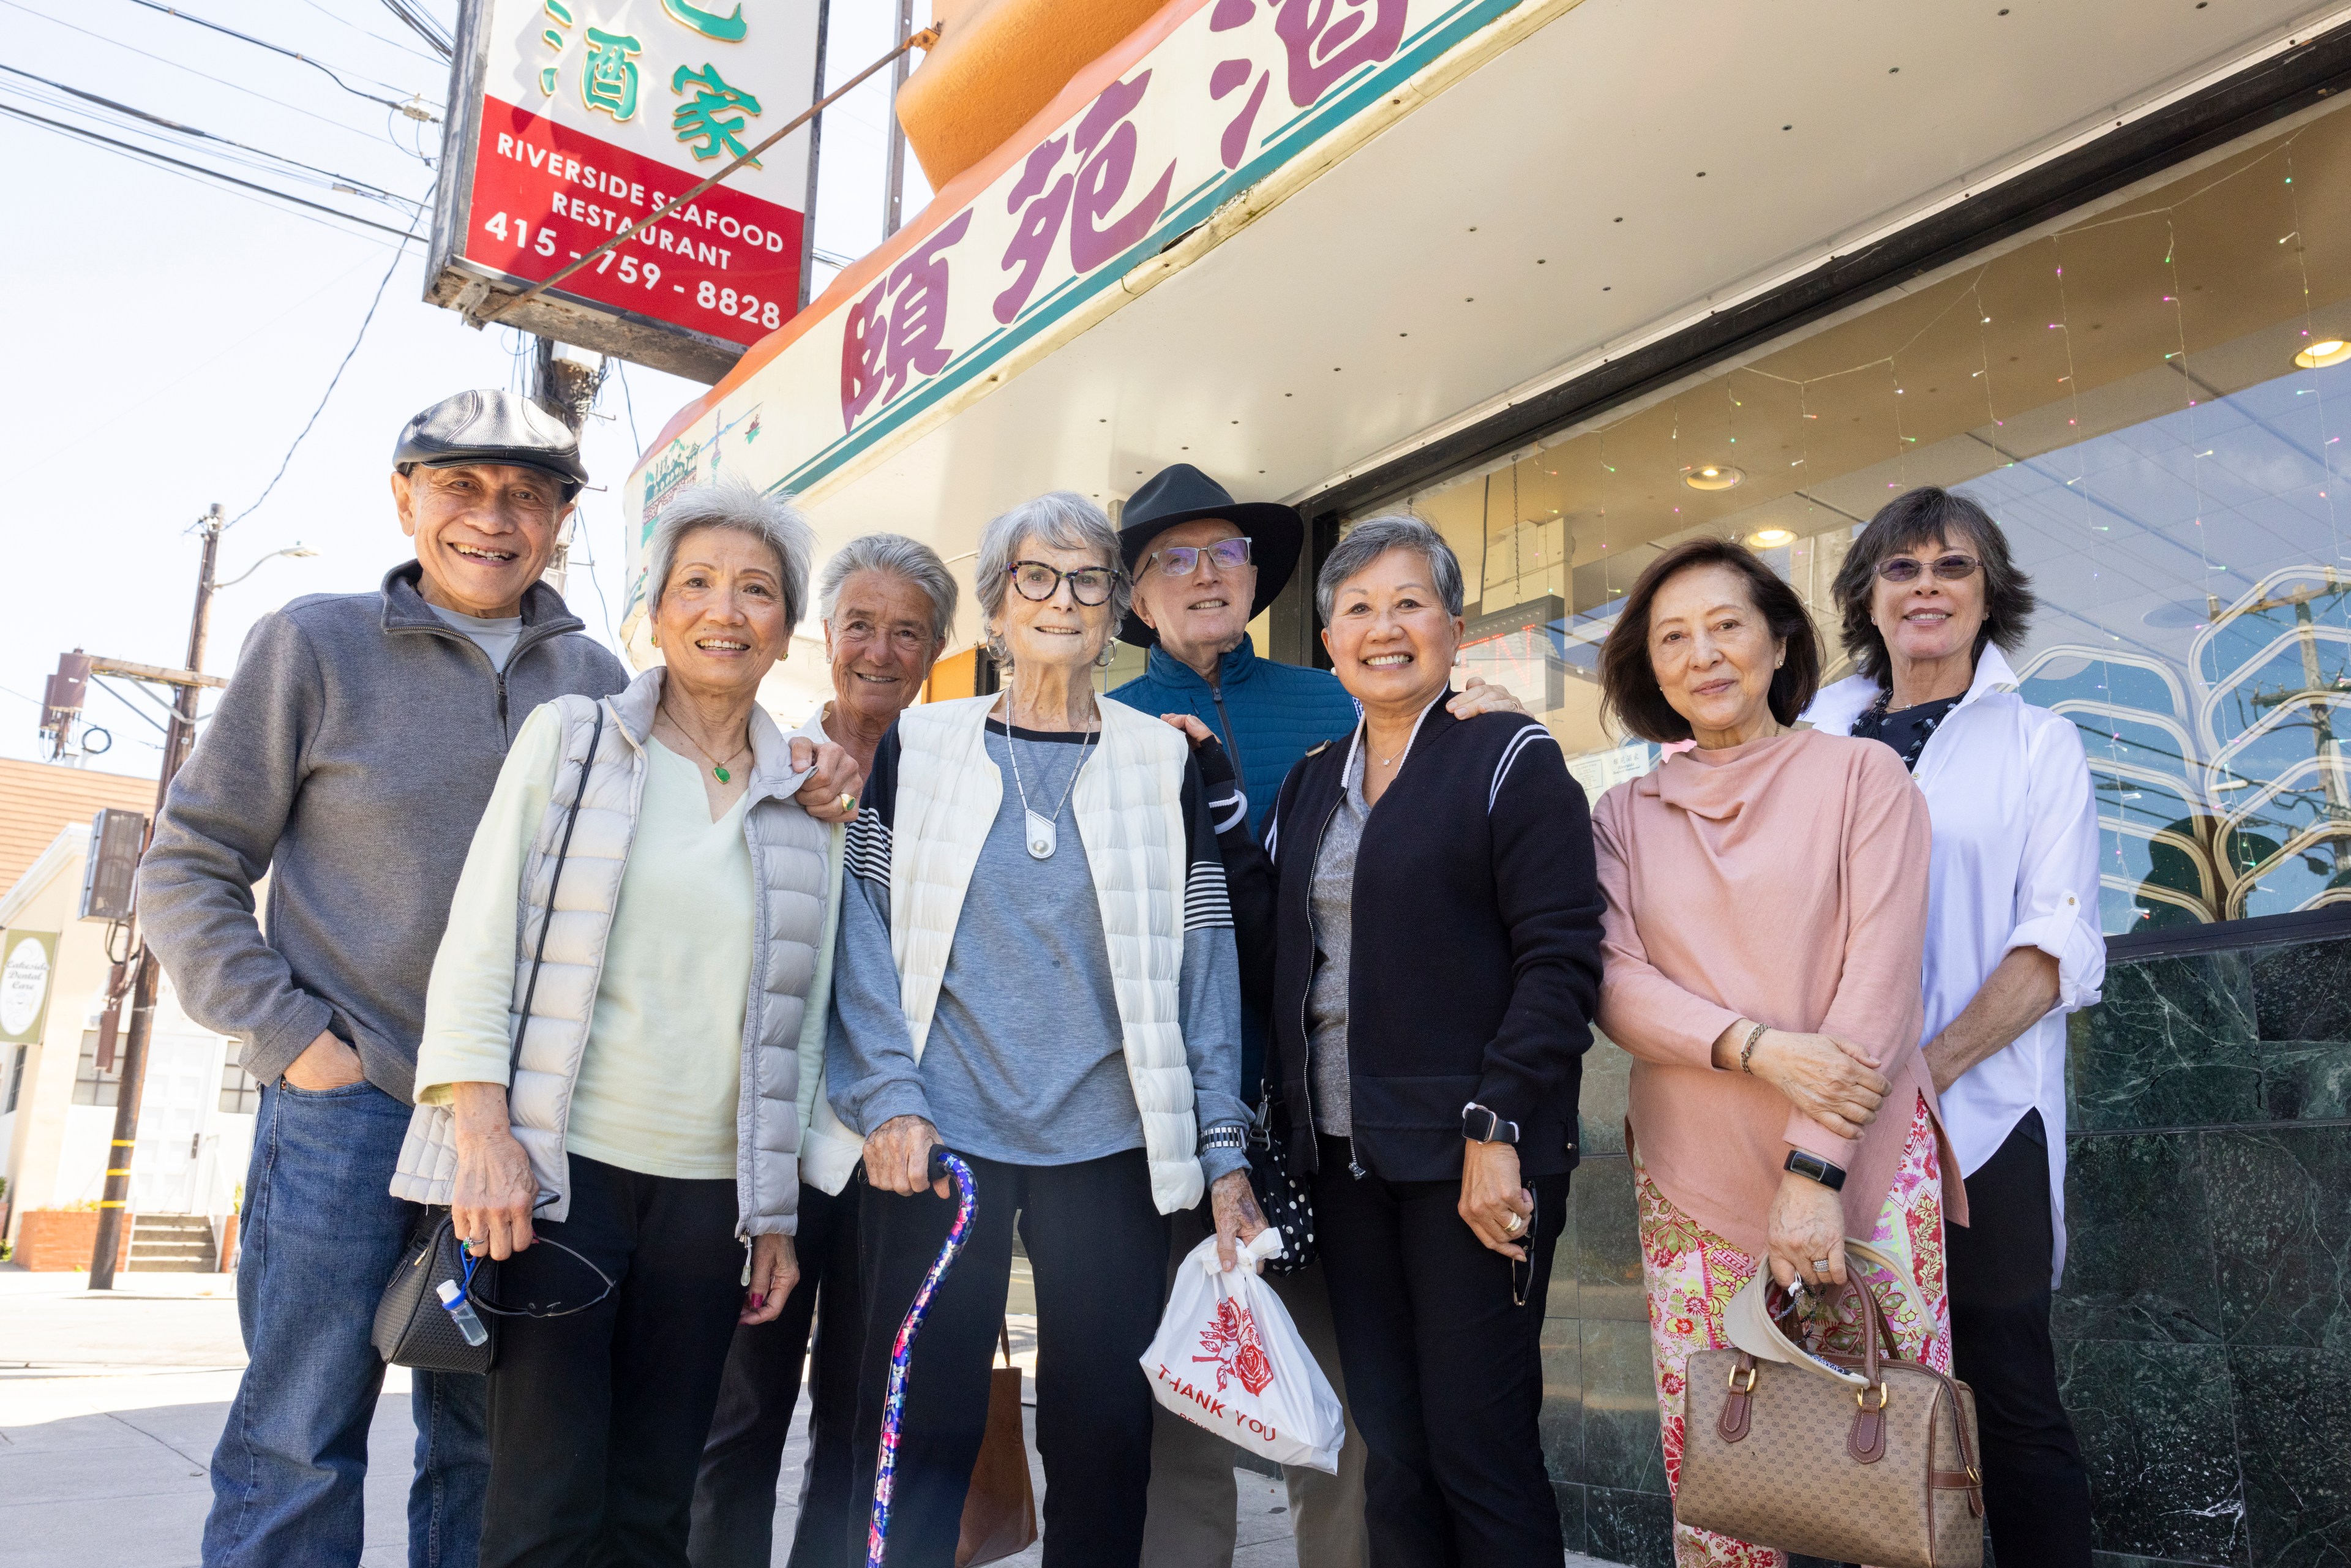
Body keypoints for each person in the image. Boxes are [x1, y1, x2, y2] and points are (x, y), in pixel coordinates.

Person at [138, 390, 626, 1568]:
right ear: (404, 497)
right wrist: (296, 1043)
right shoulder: (315, 642)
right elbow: (189, 863)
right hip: (346, 1110)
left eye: (527, 494)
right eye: (460, 485)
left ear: (561, 520)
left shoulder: (601, 681)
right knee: (300, 1437)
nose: (492, 518)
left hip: (515, 1132)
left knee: (484, 1445)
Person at [396, 477, 853, 1567]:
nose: (725, 610)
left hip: (711, 1202)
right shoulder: (575, 742)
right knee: (543, 1509)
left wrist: (775, 1212)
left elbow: (800, 1029)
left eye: (755, 591)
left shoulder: (805, 804)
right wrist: (484, 1137)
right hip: (562, 1182)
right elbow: (480, 943)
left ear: (786, 629)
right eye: (696, 584)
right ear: (652, 612)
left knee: (656, 1511)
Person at [827, 492, 1265, 1567]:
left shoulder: (1161, 763)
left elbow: (1204, 960)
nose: (1062, 599)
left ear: (1116, 609)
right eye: (1036, 576)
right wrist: (889, 1095)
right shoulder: (919, 747)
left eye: (1086, 580)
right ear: (995, 607)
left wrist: (1221, 1146)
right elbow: (863, 932)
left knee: (1107, 1434)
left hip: (1109, 1147)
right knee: (920, 1428)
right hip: (941, 1146)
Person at [1106, 465, 1520, 1568]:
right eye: (1172, 560)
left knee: (1338, 1398)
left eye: (1224, 553)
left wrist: (1475, 716)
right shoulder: (1109, 725)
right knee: (1188, 1378)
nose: (1204, 575)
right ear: (1137, 598)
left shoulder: (1334, 699)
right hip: (1159, 1100)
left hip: (1317, 1110)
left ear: (1256, 579)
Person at [1588, 538, 1955, 1568]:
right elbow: (1614, 984)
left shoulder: (1864, 775)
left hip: (1864, 1162)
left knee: (1896, 1466)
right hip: (1692, 1179)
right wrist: (1761, 1050)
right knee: (1724, 1481)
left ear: (1778, 638)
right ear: (1647, 669)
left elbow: (1879, 984)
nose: (1703, 654)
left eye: (1726, 625)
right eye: (1673, 637)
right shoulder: (1622, 816)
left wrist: (1812, 1170)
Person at [1251, 515, 1603, 1567]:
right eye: (1356, 607)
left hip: (1475, 1162)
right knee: (1396, 1453)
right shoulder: (1317, 775)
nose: (1384, 626)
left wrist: (1499, 1126)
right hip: (1349, 1166)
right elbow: (1269, 932)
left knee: (1478, 1448)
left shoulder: (1509, 754)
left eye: (1410, 603)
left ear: (1454, 625)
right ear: (1328, 640)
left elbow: (1562, 959)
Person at [1803, 487, 2101, 1568]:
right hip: (1825, 1127)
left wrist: (1915, 1077)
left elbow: (2050, 950)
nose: (1926, 586)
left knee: (2009, 1393)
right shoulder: (1815, 734)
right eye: (1901, 569)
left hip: (1981, 1118)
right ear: (1867, 599)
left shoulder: (2040, 744)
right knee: (1849, 1394)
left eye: (1953, 568)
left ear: (1989, 597)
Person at [689, 534, 961, 1568]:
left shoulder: (955, 781)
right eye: (860, 625)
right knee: (740, 1410)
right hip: (781, 1145)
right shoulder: (774, 766)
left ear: (938, 647)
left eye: (907, 631)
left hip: (902, 1150)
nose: (881, 650)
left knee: (865, 1416)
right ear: (827, 636)